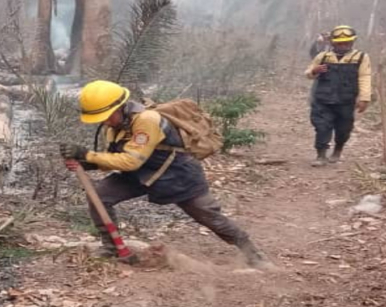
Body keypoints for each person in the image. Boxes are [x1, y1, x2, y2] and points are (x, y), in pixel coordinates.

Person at [58, 80, 273, 269]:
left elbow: (131, 160)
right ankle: (113, 247)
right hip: (140, 176)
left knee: (210, 218)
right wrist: (91, 164)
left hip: (178, 176)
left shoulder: (147, 120)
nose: (104, 122)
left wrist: (89, 155)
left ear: (121, 106)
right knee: (100, 195)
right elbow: (117, 158)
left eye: (106, 116)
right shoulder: (113, 127)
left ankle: (253, 255)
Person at [305, 25, 372, 166]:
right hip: (322, 100)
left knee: (343, 129)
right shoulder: (323, 57)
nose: (343, 46)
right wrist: (314, 71)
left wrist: (364, 98)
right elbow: (308, 73)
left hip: (346, 101)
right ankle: (321, 155)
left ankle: (338, 149)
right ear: (332, 43)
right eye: (340, 43)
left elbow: (365, 77)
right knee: (322, 126)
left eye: (347, 43)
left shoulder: (360, 57)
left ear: (352, 42)